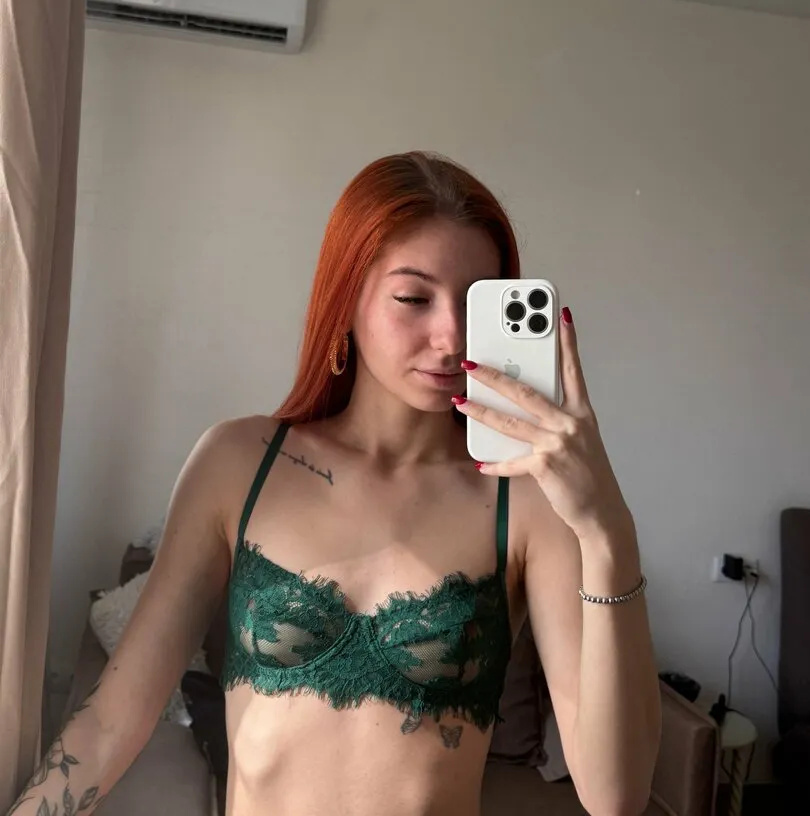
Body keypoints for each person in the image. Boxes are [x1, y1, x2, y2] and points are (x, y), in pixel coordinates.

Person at [7, 151, 661, 816]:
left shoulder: (521, 500)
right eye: (413, 298)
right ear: (346, 299)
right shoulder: (239, 463)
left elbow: (617, 796)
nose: (451, 336)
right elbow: (111, 722)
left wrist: (607, 529)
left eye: (476, 303)